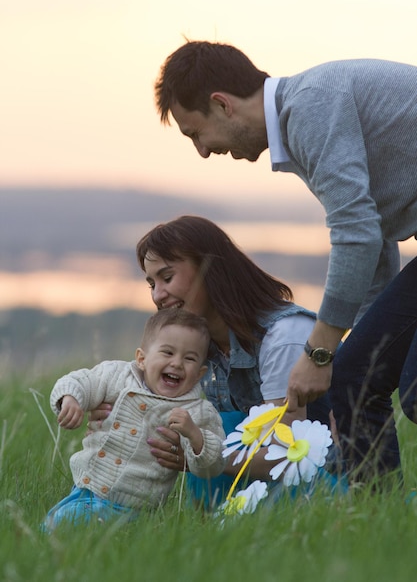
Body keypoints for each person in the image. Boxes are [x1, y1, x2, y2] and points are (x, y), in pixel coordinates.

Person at [153, 41, 417, 475]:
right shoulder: (306, 113)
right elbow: (375, 241)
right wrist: (361, 344)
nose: (201, 151)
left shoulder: (310, 108)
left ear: (222, 105)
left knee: (376, 381)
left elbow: (357, 236)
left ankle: (372, 513)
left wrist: (319, 353)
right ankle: (373, 518)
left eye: (195, 133)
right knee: (361, 375)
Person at [134, 215, 341, 504]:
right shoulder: (200, 347)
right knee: (204, 423)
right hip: (257, 481)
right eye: (151, 284)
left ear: (211, 271)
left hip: (328, 481)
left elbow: (287, 454)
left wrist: (201, 455)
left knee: (219, 427)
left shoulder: (284, 335)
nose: (158, 295)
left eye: (167, 278)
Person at [43, 308, 225, 529]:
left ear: (199, 373)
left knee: (63, 526)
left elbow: (213, 465)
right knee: (53, 524)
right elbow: (83, 381)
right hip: (85, 488)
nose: (177, 363)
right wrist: (70, 399)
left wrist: (195, 436)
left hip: (135, 507)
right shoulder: (117, 375)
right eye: (168, 353)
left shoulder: (197, 411)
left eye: (189, 358)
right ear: (142, 359)